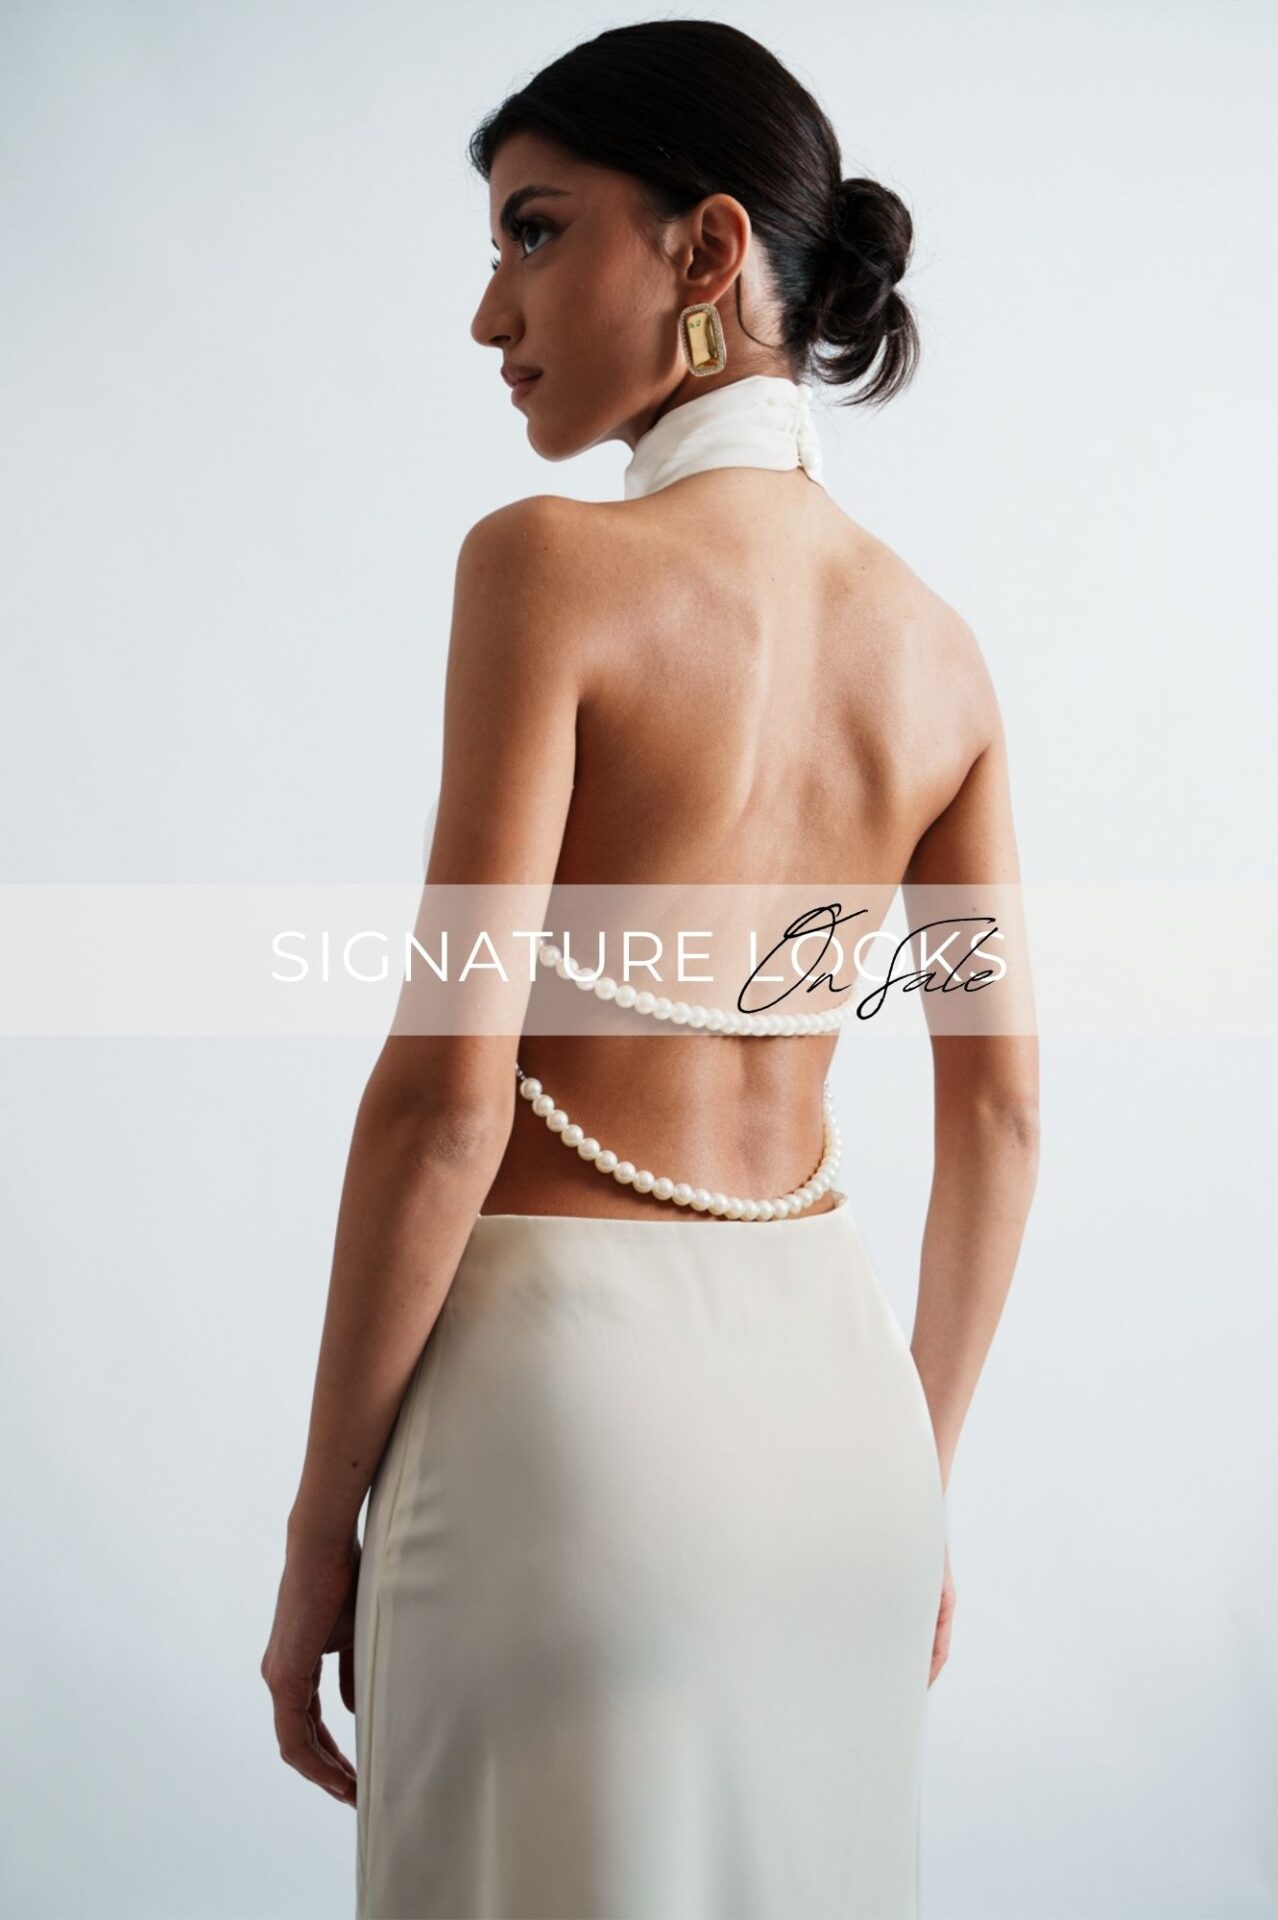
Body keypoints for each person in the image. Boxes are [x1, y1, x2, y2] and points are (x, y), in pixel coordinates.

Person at [260, 20, 1040, 1919]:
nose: (488, 313)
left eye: (532, 232)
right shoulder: (941, 656)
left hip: (565, 1424)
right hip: (845, 1445)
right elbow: (1002, 1116)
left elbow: (447, 1103)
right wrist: (915, 1471)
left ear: (706, 248)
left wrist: (313, 1536)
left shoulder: (546, 571)